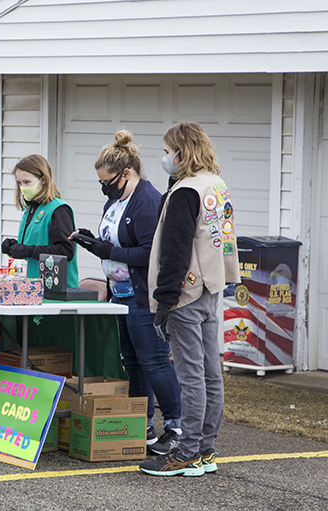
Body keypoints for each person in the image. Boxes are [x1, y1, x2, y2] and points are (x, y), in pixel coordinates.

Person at [70, 129, 182, 456]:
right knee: (132, 361)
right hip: (120, 294)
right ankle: (142, 421)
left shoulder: (146, 201)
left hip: (141, 295)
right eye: (101, 183)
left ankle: (177, 425)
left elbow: (151, 254)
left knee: (155, 361)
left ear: (126, 173)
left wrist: (108, 251)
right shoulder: (116, 199)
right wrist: (94, 243)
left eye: (108, 181)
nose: (104, 188)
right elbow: (115, 245)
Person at [139, 122, 240, 477]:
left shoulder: (185, 191)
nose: (164, 158)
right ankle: (205, 449)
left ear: (182, 153)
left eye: (168, 151)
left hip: (185, 294)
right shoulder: (215, 185)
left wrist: (164, 301)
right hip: (212, 289)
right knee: (211, 374)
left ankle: (187, 452)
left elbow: (175, 251)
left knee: (191, 375)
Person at [0, 154, 78, 285]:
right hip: (32, 287)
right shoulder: (29, 209)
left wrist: (29, 250)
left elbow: (65, 251)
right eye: (19, 183)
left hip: (55, 290)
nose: (22, 187)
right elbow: (37, 241)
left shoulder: (58, 209)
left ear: (43, 180)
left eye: (27, 182)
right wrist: (15, 246)